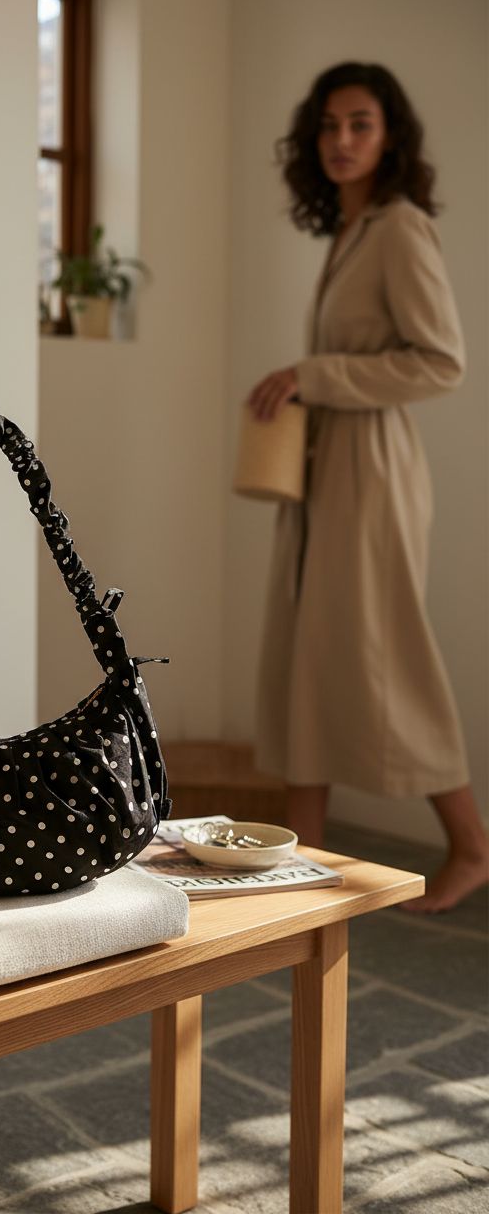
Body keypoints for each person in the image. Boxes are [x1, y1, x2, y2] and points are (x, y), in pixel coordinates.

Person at [247, 62, 488, 913]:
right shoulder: (348, 234)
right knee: (308, 653)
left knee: (393, 654)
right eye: (328, 126)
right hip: (328, 464)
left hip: (374, 469)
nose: (341, 141)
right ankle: (300, 858)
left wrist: (313, 374)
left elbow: (442, 361)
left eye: (360, 124)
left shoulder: (398, 228)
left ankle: (471, 846)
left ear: (391, 138)